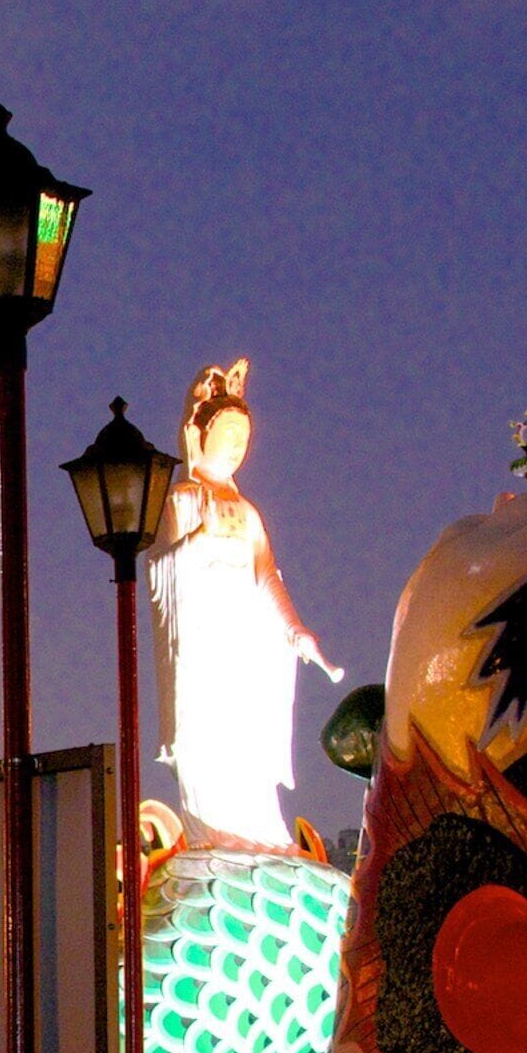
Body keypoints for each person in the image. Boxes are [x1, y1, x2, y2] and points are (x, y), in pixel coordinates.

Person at [149, 360, 341, 849]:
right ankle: (213, 837)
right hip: (203, 651)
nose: (235, 446)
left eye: (243, 438)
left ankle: (257, 837)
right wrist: (199, 539)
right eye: (226, 434)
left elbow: (267, 577)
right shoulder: (183, 499)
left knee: (248, 757)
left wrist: (297, 631)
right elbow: (159, 568)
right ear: (199, 433)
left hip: (245, 650)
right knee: (210, 754)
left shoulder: (248, 512)